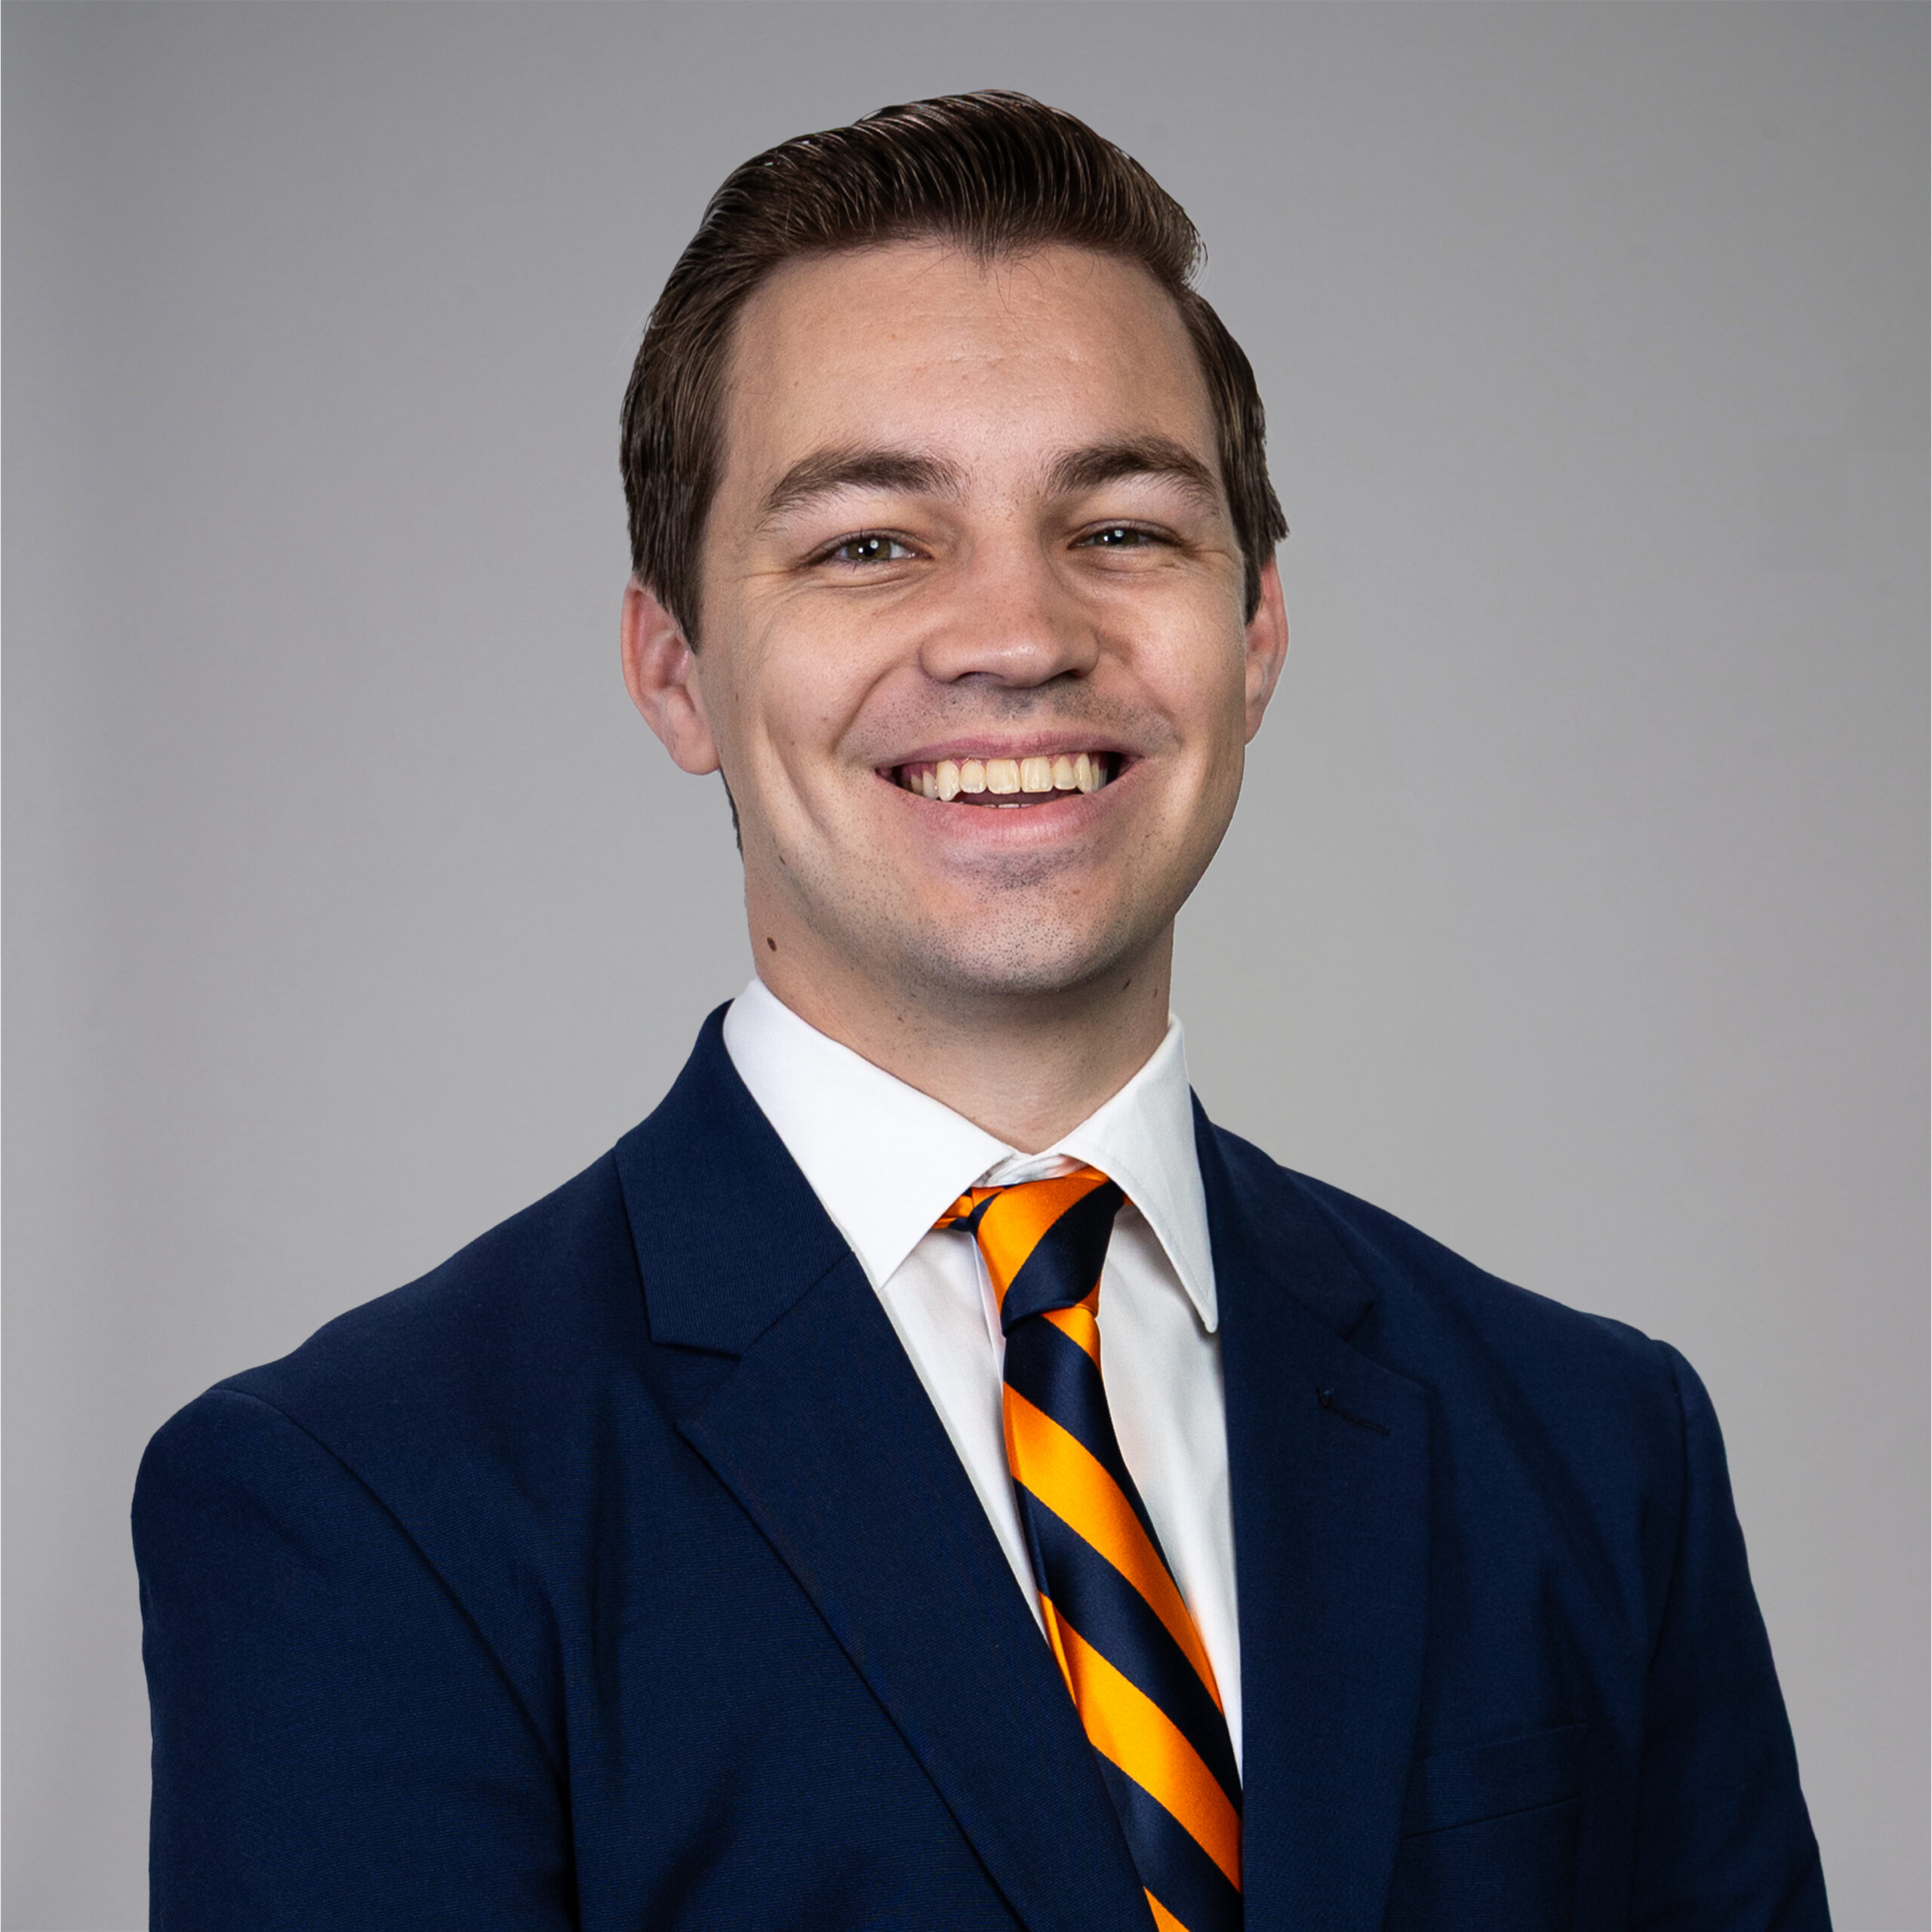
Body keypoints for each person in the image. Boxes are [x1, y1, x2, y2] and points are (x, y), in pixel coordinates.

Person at [133, 93, 1829, 1931]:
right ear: (673, 666)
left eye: (1118, 526)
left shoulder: (1593, 1447)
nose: (1016, 633)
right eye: (870, 542)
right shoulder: (365, 1501)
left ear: (1253, 637)